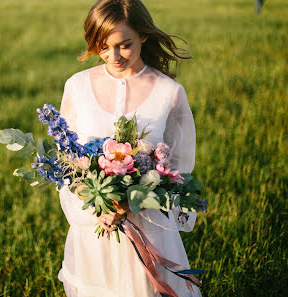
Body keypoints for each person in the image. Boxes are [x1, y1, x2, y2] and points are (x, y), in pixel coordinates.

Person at [58, 0, 201, 296]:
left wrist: (135, 201)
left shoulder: (169, 92)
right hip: (94, 231)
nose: (113, 56)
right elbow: (67, 162)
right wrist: (97, 208)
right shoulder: (77, 86)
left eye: (124, 45)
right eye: (103, 45)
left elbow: (180, 165)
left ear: (144, 36)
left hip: (149, 232)